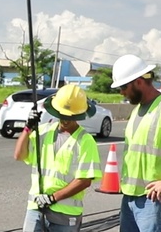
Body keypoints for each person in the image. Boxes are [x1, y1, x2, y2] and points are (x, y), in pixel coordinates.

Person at [111, 54, 161, 231]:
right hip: (130, 197)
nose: (121, 92)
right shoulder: (137, 111)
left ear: (139, 81)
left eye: (123, 86)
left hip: (154, 199)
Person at [14, 84, 102, 232]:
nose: (65, 120)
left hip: (65, 214)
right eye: (62, 115)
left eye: (70, 116)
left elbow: (84, 181)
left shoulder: (85, 141)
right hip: (36, 208)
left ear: (79, 114)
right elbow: (19, 155)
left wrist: (53, 198)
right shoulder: (43, 132)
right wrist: (28, 128)